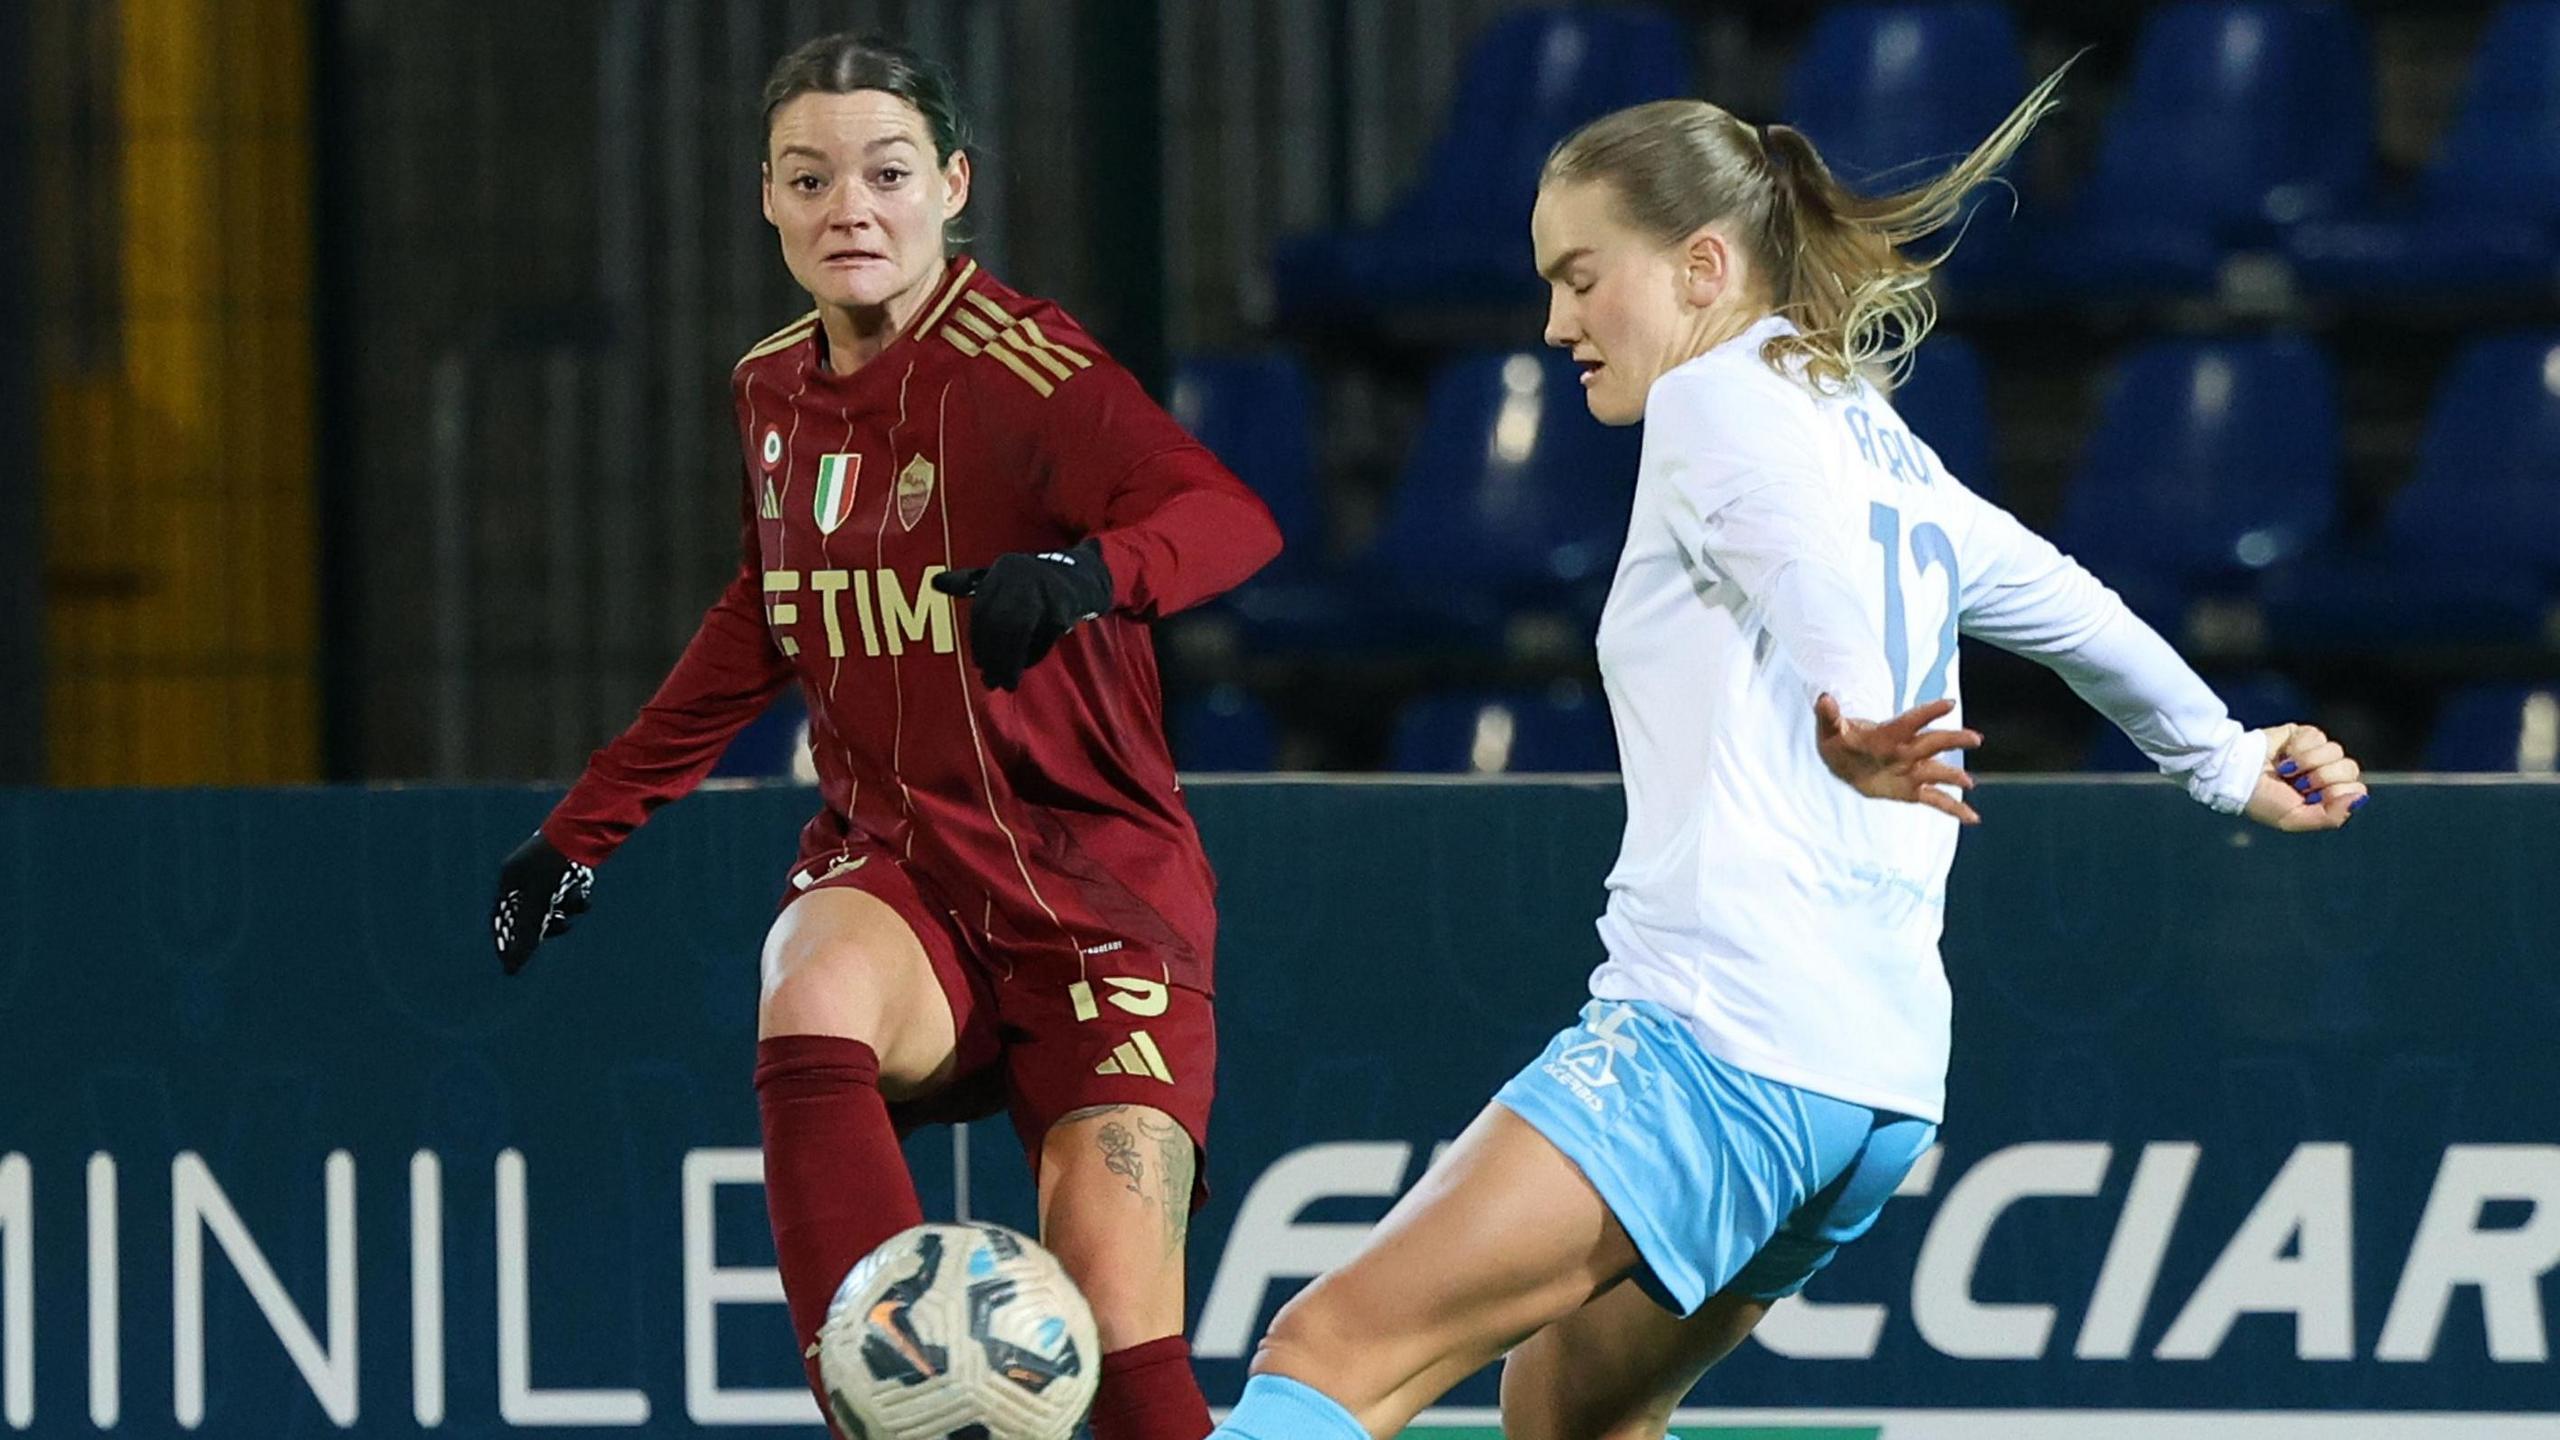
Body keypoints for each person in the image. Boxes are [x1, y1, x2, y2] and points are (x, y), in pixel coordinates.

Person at [1206, 67, 2371, 1440]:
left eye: (1583, 278)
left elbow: (1817, 579)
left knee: (1327, 1346)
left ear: (1702, 265)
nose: (1554, 321)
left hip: (1717, 1036)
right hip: (1869, 1090)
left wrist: (1859, 711)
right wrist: (2221, 756)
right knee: (1568, 1408)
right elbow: (2064, 599)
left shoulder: (1717, 402)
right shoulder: (1878, 442)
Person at [485, 34, 1280, 1440]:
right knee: (810, 975)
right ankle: (888, 1409)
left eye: (888, 172)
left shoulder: (1031, 373)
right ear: (771, 203)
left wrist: (1090, 577)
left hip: (1095, 901)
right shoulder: (771, 391)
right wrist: (582, 825)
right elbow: (765, 617)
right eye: (811, 177)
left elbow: (1232, 518)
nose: (850, 205)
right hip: (903, 869)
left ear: (951, 185)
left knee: (1125, 1358)